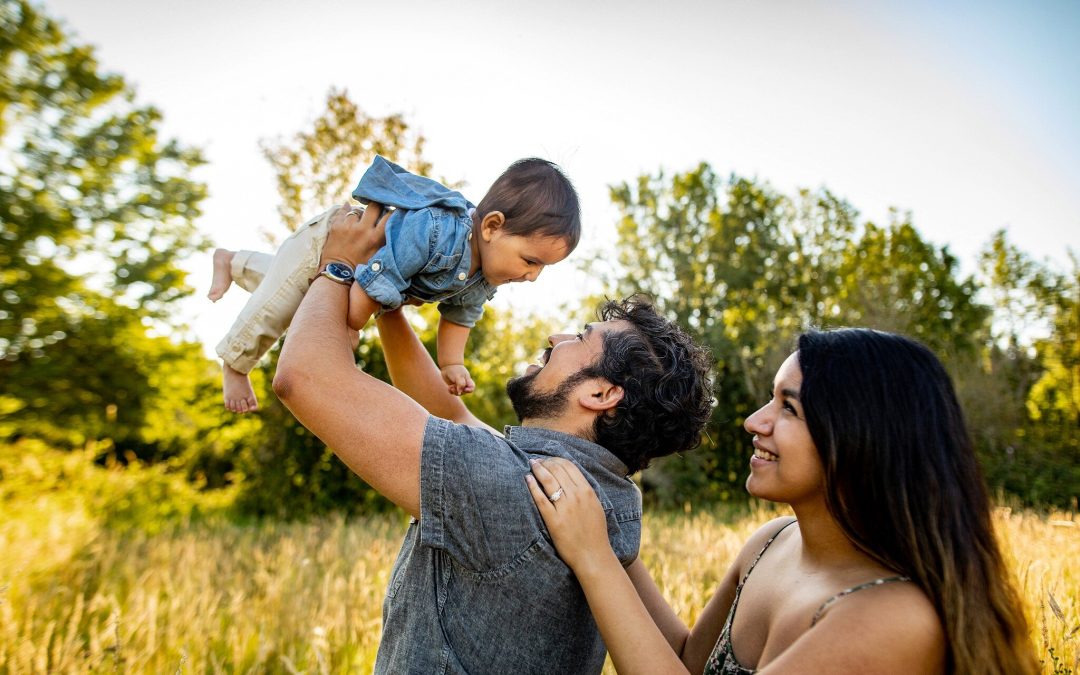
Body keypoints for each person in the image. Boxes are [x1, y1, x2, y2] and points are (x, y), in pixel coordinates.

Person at [271, 203, 715, 673]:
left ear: (601, 392)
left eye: (581, 338)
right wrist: (386, 297)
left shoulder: (506, 484)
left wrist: (338, 265)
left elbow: (303, 376)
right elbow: (446, 410)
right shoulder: (595, 498)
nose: (555, 336)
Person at [527, 328, 1038, 675]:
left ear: (860, 436)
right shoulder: (770, 544)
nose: (754, 421)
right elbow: (686, 662)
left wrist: (594, 557)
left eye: (787, 408)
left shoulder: (893, 617)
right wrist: (614, 536)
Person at [209, 155, 580, 412]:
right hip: (333, 239)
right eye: (531, 261)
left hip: (355, 273)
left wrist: (450, 363)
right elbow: (378, 280)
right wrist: (347, 326)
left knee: (288, 286)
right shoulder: (438, 231)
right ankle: (236, 363)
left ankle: (233, 261)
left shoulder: (485, 276)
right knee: (280, 302)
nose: (532, 276)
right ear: (492, 226)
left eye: (542, 268)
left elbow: (461, 315)